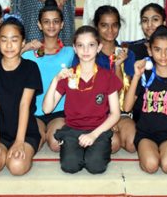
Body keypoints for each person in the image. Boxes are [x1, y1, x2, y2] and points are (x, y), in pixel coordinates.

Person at [43, 26, 122, 174]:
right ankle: (79, 150)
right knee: (70, 166)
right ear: (74, 48)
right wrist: (55, 79)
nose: (86, 50)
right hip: (73, 129)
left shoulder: (107, 76)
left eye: (91, 45)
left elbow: (115, 114)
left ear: (99, 47)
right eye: (80, 45)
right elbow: (47, 109)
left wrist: (93, 135)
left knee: (95, 166)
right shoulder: (68, 75)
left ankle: (96, 150)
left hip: (99, 129)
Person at [123, 26, 167, 174]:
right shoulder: (144, 75)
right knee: (151, 165)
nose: (163, 55)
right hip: (146, 133)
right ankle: (149, 152)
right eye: (157, 49)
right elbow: (127, 107)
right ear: (150, 51)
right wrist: (136, 76)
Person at [0, 16, 42, 176]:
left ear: (23, 43)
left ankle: (33, 143)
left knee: (16, 166)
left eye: (14, 40)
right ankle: (0, 146)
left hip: (25, 131)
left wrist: (20, 141)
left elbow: (24, 105)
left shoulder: (31, 68)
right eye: (4, 40)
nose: (9, 45)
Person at [22, 0, 76, 152]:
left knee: (56, 144)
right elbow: (8, 64)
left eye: (55, 21)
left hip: (59, 111)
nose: (51, 26)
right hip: (35, 111)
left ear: (62, 24)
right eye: (46, 22)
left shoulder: (70, 52)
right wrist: (25, 47)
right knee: (34, 144)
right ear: (39, 25)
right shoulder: (29, 55)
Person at [90, 5, 136, 153]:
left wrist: (118, 66)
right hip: (95, 113)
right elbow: (85, 91)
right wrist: (107, 118)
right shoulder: (88, 52)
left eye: (114, 25)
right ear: (96, 26)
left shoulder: (127, 54)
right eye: (104, 25)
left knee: (132, 144)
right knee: (112, 144)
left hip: (121, 112)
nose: (110, 30)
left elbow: (122, 90)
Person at [127, 3, 167, 68]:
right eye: (145, 20)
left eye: (155, 19)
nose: (149, 24)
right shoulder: (133, 50)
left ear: (164, 23)